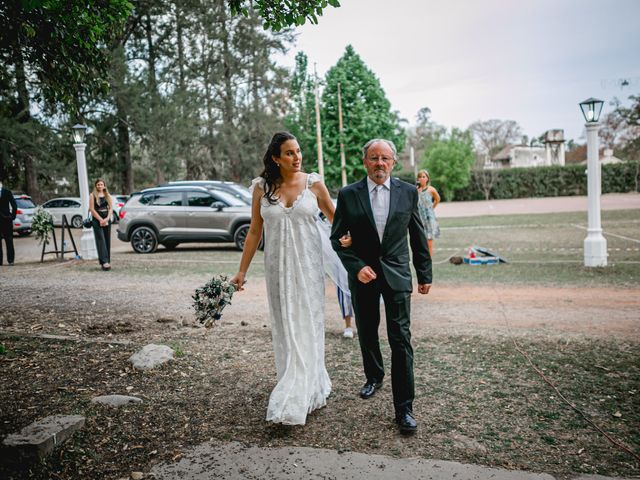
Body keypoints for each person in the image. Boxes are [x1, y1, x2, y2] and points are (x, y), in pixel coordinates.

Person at [230, 132, 349, 426]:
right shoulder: (261, 188)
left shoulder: (314, 184)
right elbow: (255, 231)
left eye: (298, 152)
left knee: (307, 321)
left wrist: (350, 242)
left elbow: (337, 220)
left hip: (308, 267)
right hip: (277, 268)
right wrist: (242, 270)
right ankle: (289, 378)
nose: (297, 158)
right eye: (289, 153)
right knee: (285, 323)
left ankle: (308, 384)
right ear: (275, 158)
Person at [330, 138, 432, 434]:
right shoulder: (348, 194)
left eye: (385, 158)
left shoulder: (408, 192)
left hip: (398, 274)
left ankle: (404, 408)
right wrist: (356, 266)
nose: (379, 163)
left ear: (393, 162)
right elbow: (337, 238)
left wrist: (424, 273)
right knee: (368, 330)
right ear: (365, 162)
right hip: (364, 276)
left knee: (400, 337)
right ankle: (374, 376)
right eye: (373, 158)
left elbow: (418, 234)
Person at [89, 178, 113, 271]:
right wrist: (100, 220)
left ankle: (107, 261)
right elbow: (91, 209)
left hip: (106, 219)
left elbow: (110, 208)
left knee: (107, 239)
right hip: (97, 219)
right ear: (96, 186)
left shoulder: (107, 195)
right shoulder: (92, 195)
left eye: (101, 184)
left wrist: (107, 218)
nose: (99, 186)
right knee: (100, 240)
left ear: (104, 186)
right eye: (98, 184)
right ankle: (104, 262)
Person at [416, 169, 441, 257]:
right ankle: (422, 258)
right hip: (419, 218)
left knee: (429, 242)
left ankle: (429, 261)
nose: (422, 179)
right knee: (420, 242)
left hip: (429, 218)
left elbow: (437, 199)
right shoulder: (415, 190)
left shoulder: (431, 190)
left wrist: (432, 208)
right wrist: (417, 192)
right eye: (420, 177)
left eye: (424, 177)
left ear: (427, 178)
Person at [0, 181, 17, 266]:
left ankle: (11, 260)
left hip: (6, 219)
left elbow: (14, 204)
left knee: (9, 240)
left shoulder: (6, 191)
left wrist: (12, 216)